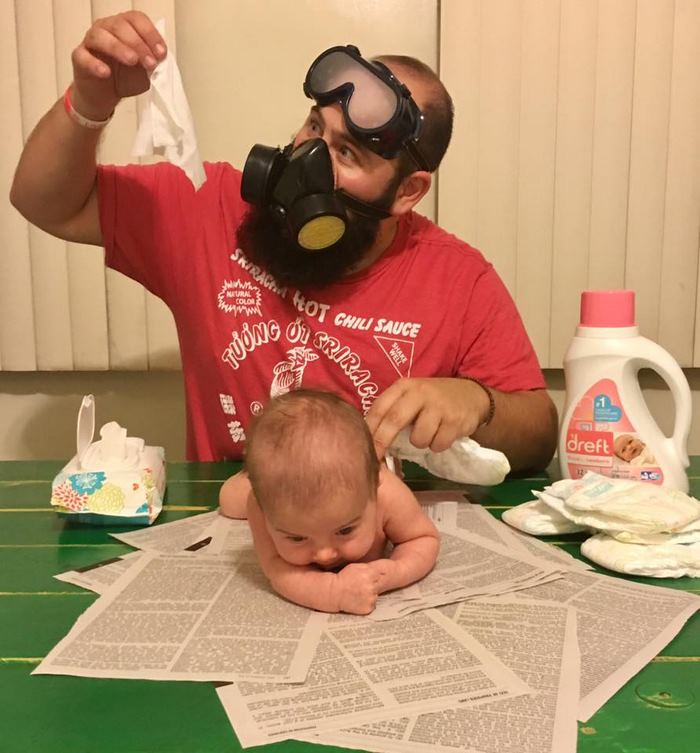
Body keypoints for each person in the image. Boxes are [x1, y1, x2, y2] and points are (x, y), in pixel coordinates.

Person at [10, 10, 558, 471]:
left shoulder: (458, 278)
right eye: (315, 128)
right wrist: (89, 102)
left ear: (407, 193)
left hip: (377, 533)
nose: (310, 157)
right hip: (233, 535)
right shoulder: (210, 207)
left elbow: (538, 432)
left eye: (347, 154)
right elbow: (45, 202)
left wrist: (477, 402)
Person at [220, 389, 440, 615]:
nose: (325, 554)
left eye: (345, 530)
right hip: (261, 490)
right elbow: (276, 569)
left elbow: (424, 538)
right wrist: (333, 593)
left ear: (374, 487)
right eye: (297, 537)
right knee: (229, 501)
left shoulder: (386, 491)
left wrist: (395, 571)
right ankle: (245, 480)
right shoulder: (258, 505)